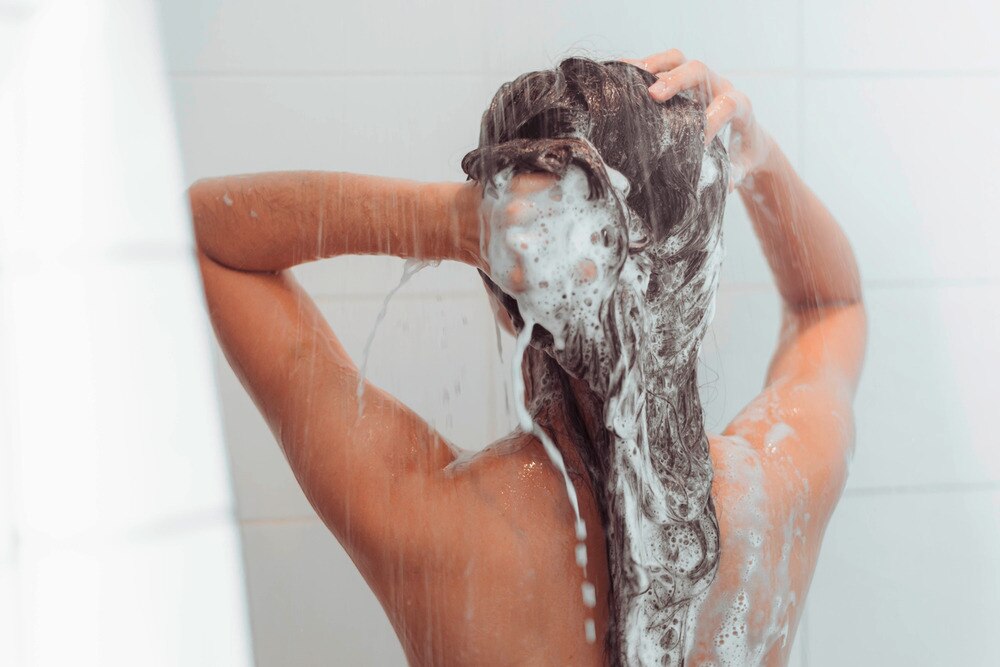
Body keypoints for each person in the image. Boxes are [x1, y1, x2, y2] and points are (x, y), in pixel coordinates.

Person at [190, 48, 866, 666]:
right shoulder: (776, 492)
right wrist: (755, 152)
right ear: (688, 272)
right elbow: (830, 305)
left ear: (502, 283)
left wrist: (446, 223)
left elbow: (206, 238)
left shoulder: (434, 525)